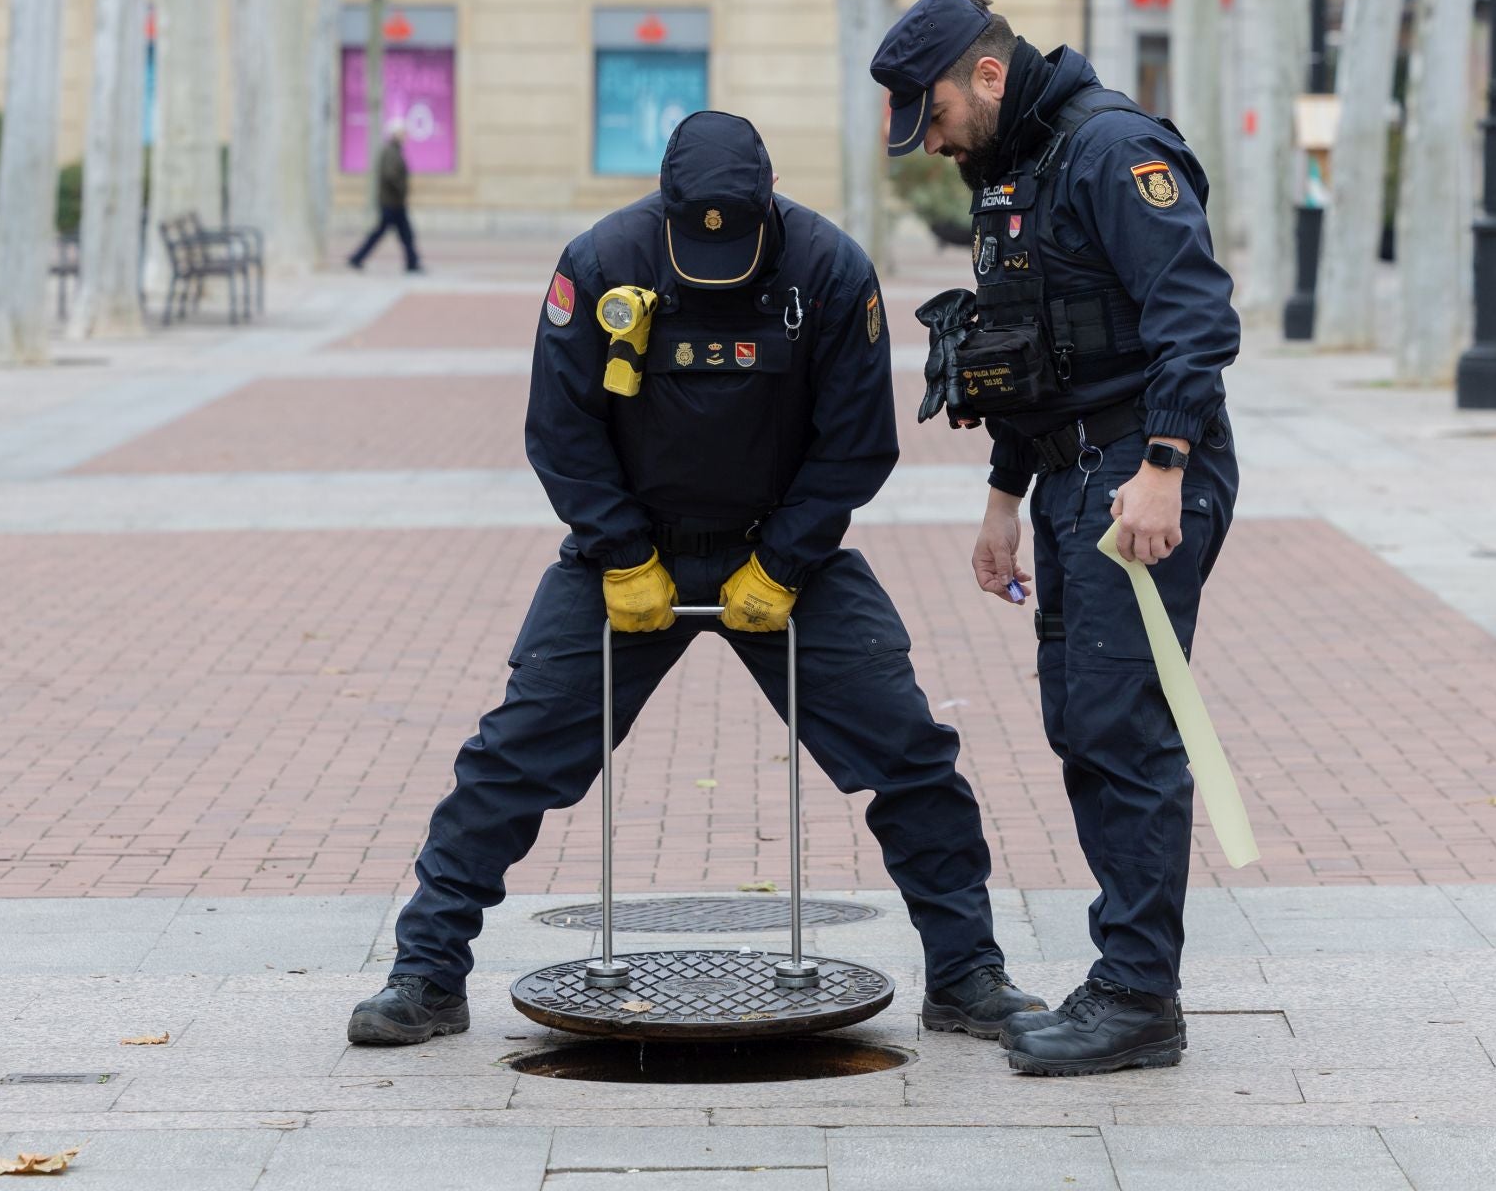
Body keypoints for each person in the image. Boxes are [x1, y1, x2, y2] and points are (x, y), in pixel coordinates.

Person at [347, 110, 1043, 1047]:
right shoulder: (598, 263)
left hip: (785, 548)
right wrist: (624, 553)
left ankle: (965, 974)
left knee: (910, 756)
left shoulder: (831, 270)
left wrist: (788, 558)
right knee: (512, 758)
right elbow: (561, 432)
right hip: (631, 549)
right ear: (666, 212)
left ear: (768, 212)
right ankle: (425, 974)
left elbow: (857, 443)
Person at [871, 0, 1241, 1077]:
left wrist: (1164, 469)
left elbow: (1196, 320)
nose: (927, 143)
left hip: (1141, 472)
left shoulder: (1113, 148)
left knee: (1122, 727)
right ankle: (1126, 975)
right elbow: (1031, 349)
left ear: (987, 75)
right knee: (1083, 720)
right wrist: (1003, 497)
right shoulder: (1018, 168)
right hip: (1077, 475)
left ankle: (1138, 997)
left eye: (931, 116)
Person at [348, 120, 420, 273]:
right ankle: (357, 258)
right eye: (402, 133)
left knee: (404, 234)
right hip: (391, 203)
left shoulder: (394, 151)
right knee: (385, 233)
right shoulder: (390, 152)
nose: (404, 136)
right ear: (395, 134)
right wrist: (401, 189)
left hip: (394, 202)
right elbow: (390, 175)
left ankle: (412, 263)